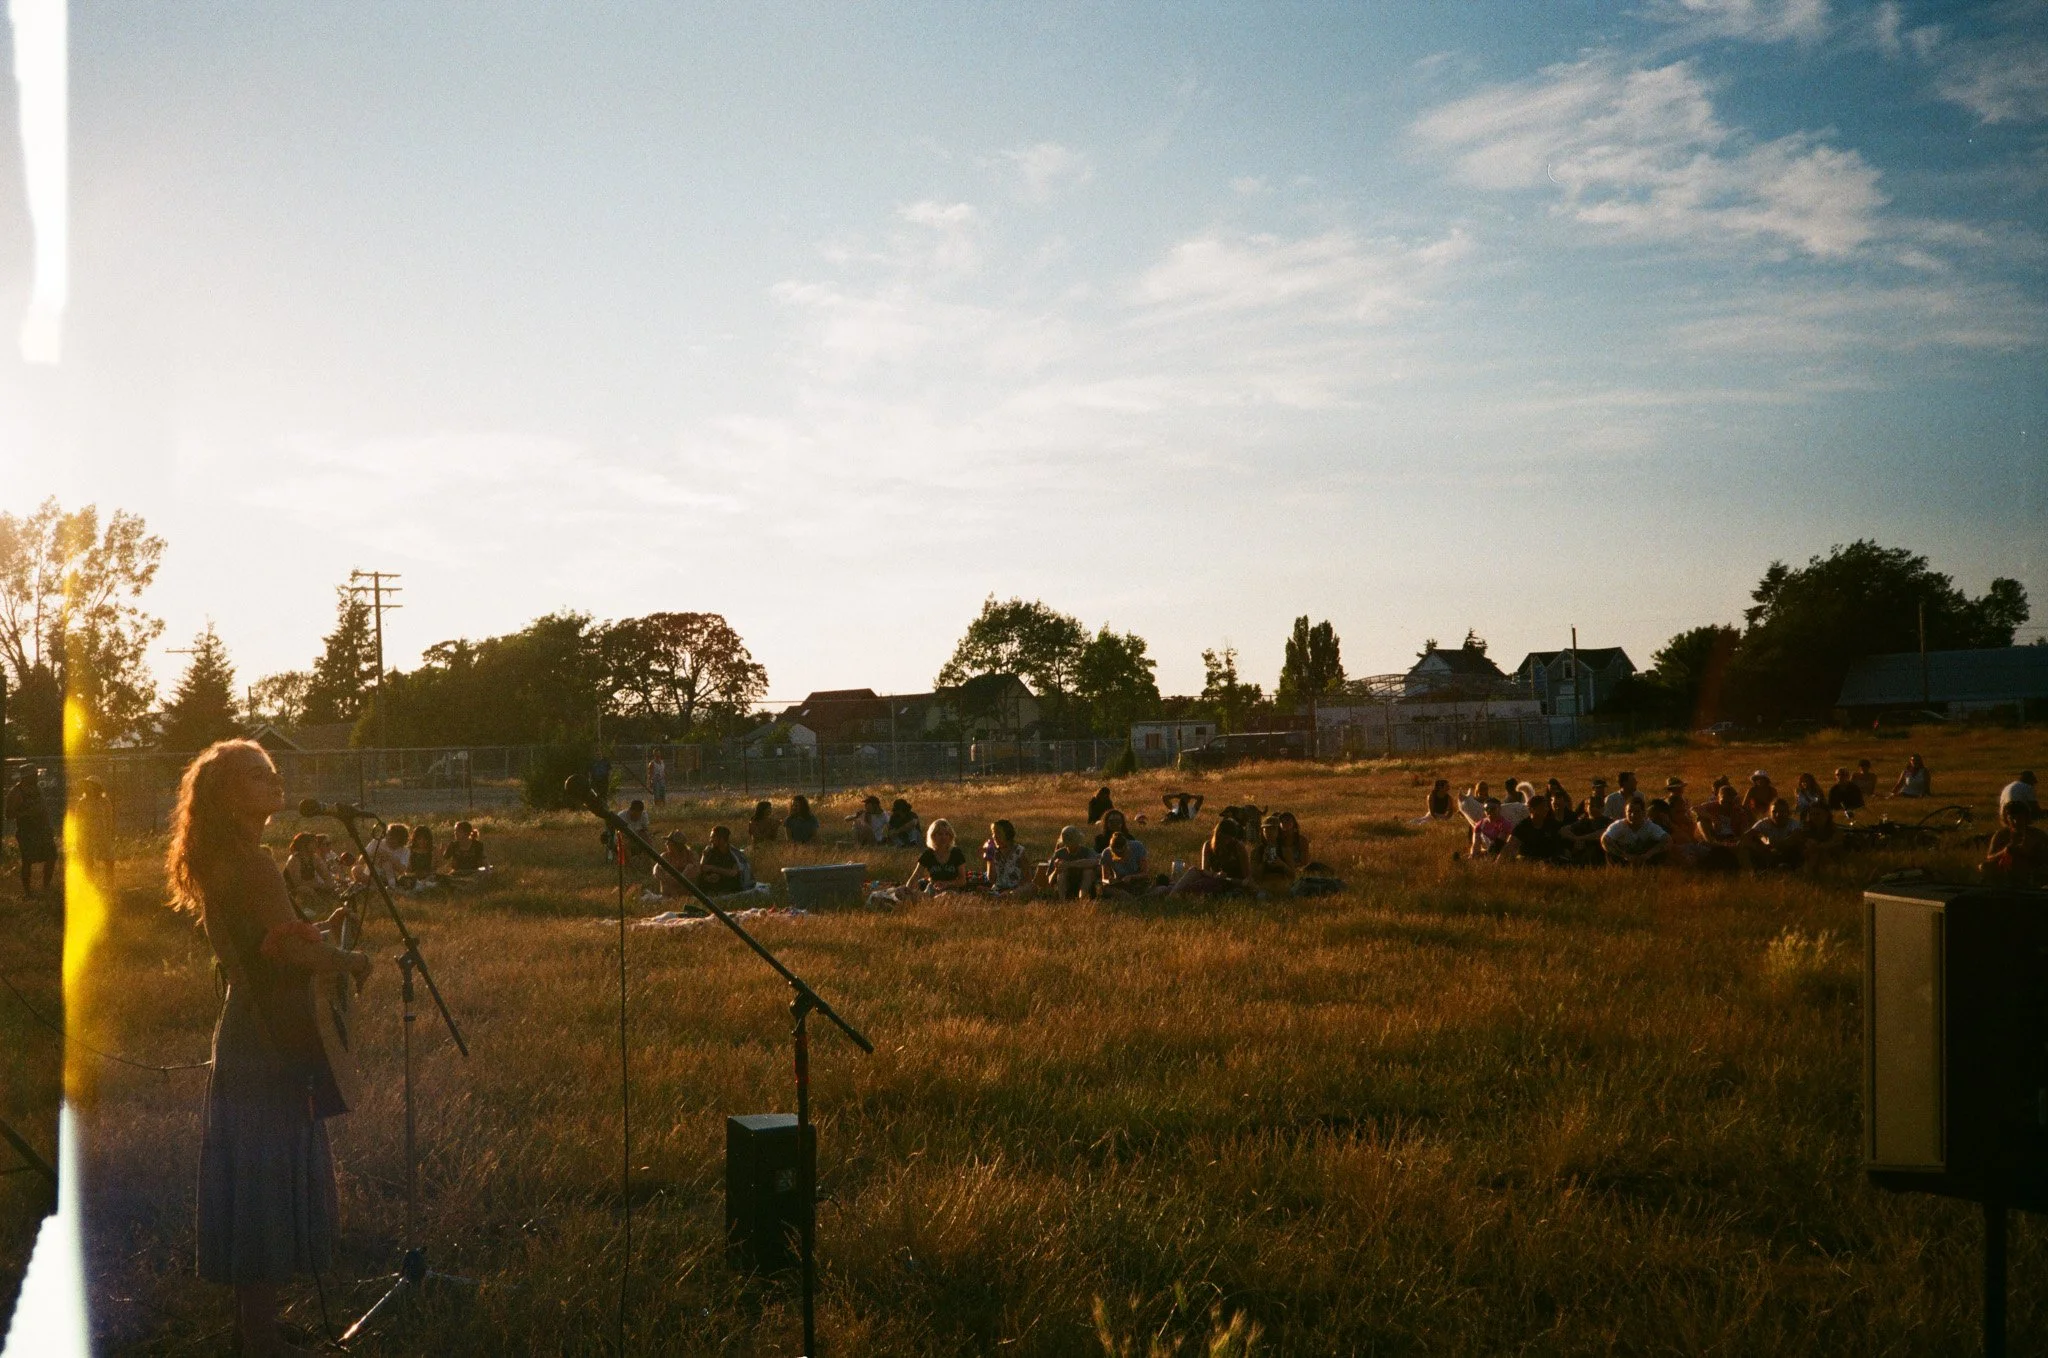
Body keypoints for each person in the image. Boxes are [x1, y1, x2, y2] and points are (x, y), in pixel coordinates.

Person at [166, 740, 371, 1357]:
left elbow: (265, 944)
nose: (273, 780)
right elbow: (288, 951)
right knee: (265, 1174)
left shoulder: (225, 856)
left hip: (245, 1029)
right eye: (256, 775)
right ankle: (260, 1340)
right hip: (270, 1039)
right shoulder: (252, 863)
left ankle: (254, 1327)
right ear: (226, 793)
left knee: (253, 1171)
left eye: (273, 770)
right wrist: (349, 958)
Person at [6, 767, 57, 898]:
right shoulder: (16, 793)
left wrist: (48, 825)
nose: (37, 777)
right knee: (27, 861)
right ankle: (28, 892)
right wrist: (27, 813)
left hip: (43, 830)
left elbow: (43, 808)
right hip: (27, 832)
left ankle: (46, 887)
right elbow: (9, 814)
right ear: (26, 777)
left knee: (51, 857)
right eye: (34, 775)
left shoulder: (37, 789)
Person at [1169, 819, 1250, 897]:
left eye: (1229, 838)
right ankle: (1173, 892)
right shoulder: (1208, 845)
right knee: (1194, 871)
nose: (1227, 841)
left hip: (1231, 883)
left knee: (1204, 886)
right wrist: (1215, 874)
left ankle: (1174, 892)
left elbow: (1246, 876)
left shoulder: (1238, 847)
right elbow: (1205, 871)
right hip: (1213, 879)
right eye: (1224, 838)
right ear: (1218, 835)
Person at [1984, 799, 2048, 888]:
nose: (2016, 822)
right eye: (2012, 818)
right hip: (2006, 872)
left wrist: (2031, 851)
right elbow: (1989, 857)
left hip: (2033, 871)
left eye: (2019, 818)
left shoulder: (2037, 835)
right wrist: (2004, 851)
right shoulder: (2001, 834)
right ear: (2006, 818)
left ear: (2026, 817)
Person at [1696, 784, 1753, 872]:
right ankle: (1710, 842)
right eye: (1723, 802)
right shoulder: (1712, 806)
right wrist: (1713, 819)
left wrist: (1737, 841)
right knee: (1701, 820)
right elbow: (1695, 809)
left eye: (1729, 802)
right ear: (1718, 798)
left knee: (1743, 850)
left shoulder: (1739, 812)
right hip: (1715, 836)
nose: (1726, 805)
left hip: (1731, 838)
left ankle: (1750, 873)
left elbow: (1744, 832)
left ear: (1734, 801)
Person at [70, 776, 117, 880]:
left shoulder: (104, 802)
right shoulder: (82, 802)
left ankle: (110, 882)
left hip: (102, 834)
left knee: (109, 859)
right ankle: (90, 883)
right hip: (87, 835)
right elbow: (78, 820)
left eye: (92, 785)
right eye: (88, 785)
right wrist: (79, 835)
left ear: (97, 787)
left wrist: (110, 833)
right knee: (88, 860)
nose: (89, 787)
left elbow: (109, 818)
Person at [907, 818, 972, 893]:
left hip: (951, 890)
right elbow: (915, 876)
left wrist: (947, 884)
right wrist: (907, 889)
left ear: (951, 836)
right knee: (900, 891)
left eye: (946, 834)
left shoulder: (956, 853)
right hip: (932, 888)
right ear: (933, 836)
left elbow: (962, 881)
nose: (943, 837)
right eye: (940, 834)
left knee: (948, 895)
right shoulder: (928, 854)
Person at [1601, 796, 1669, 867]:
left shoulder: (1650, 826)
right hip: (1624, 857)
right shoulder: (1619, 825)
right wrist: (1624, 855)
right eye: (1630, 811)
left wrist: (1648, 854)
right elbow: (1605, 839)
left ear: (1643, 812)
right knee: (1610, 850)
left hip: (1644, 857)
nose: (1633, 815)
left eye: (1637, 811)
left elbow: (1667, 839)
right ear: (1625, 812)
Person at [1506, 794, 1569, 864]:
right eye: (1542, 807)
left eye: (1546, 806)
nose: (1546, 809)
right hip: (1530, 862)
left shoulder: (1552, 824)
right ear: (1532, 809)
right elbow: (1509, 847)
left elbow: (1565, 833)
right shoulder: (1522, 827)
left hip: (1551, 861)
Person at [1747, 797, 1807, 870]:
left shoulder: (1794, 824)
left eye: (1782, 811)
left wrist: (1773, 845)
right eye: (1774, 812)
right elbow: (1748, 836)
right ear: (1769, 813)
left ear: (1788, 813)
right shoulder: (1763, 824)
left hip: (1787, 855)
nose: (1778, 814)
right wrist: (1761, 841)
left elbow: (1795, 836)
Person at [1044, 826, 1100, 899]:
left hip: (1085, 884)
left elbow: (1095, 862)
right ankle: (1062, 900)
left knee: (1088, 871)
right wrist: (1056, 871)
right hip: (1066, 885)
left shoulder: (1087, 851)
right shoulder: (1059, 854)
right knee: (1061, 873)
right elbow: (1049, 881)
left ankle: (1082, 898)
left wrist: (1069, 864)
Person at [1098, 828, 1152, 896]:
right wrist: (1109, 881)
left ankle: (1134, 896)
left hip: (1138, 881)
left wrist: (1131, 877)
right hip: (1120, 884)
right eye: (1116, 853)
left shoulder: (1137, 846)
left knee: (1150, 888)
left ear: (1126, 847)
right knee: (1105, 889)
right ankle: (1129, 896)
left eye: (1122, 853)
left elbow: (1145, 873)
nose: (1120, 856)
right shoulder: (1106, 853)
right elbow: (1104, 879)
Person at [697, 825, 748, 894]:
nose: (710, 840)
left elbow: (733, 873)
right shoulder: (710, 851)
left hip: (728, 882)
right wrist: (707, 877)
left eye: (713, 837)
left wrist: (714, 869)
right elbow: (702, 868)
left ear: (722, 839)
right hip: (712, 880)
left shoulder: (733, 853)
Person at [982, 820, 1028, 892]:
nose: (994, 836)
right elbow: (991, 879)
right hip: (998, 888)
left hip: (1016, 889)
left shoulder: (1019, 851)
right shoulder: (993, 851)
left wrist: (1016, 889)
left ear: (1008, 834)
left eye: (998, 833)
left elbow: (1027, 878)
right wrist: (989, 858)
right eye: (993, 833)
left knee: (1032, 888)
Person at [653, 830, 698, 896]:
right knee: (663, 870)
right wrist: (668, 879)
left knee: (690, 867)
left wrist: (683, 875)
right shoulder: (665, 856)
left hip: (685, 890)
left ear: (676, 844)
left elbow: (697, 871)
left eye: (669, 842)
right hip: (669, 890)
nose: (666, 844)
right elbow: (656, 871)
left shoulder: (691, 855)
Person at [367, 824, 411, 890]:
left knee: (387, 865)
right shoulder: (377, 842)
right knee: (355, 870)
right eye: (389, 835)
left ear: (401, 840)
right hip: (372, 872)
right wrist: (375, 855)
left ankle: (390, 886)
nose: (389, 839)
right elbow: (362, 859)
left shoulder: (405, 851)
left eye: (394, 838)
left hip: (390, 876)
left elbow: (402, 870)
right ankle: (378, 885)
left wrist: (390, 857)